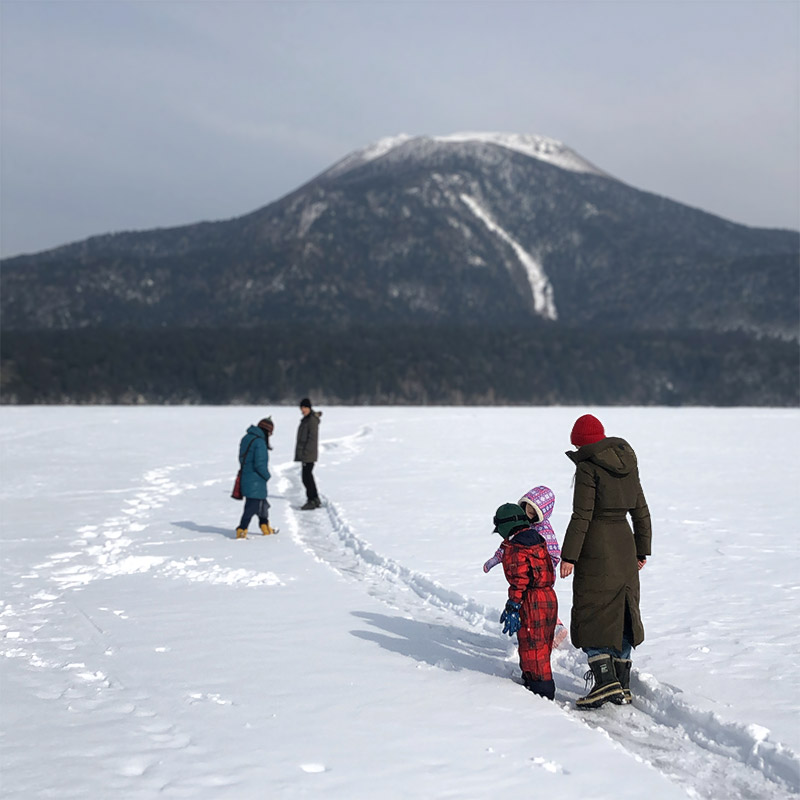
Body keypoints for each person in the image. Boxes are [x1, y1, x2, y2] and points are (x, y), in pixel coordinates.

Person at [559, 414, 651, 708]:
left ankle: (604, 683)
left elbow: (581, 515)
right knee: (624, 610)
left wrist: (569, 556)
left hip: (596, 546)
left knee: (592, 609)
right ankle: (622, 685)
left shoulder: (588, 467)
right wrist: (641, 550)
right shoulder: (627, 463)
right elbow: (641, 511)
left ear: (581, 443)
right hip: (624, 546)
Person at [484, 486, 568, 648]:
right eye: (526, 510)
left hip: (541, 576)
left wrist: (542, 567)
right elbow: (509, 545)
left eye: (532, 513)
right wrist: (496, 559)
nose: (528, 516)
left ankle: (554, 629)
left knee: (537, 604)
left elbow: (554, 553)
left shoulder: (544, 530)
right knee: (529, 603)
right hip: (526, 573)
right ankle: (531, 631)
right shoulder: (521, 526)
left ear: (541, 514)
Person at [493, 502, 558, 700]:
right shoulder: (538, 539)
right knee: (543, 642)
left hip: (531, 600)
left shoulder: (515, 548)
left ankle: (541, 690)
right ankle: (534, 679)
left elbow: (519, 581)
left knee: (532, 645)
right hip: (549, 597)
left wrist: (513, 605)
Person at [235, 417, 277, 539]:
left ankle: (264, 525)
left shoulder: (246, 438)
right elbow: (260, 464)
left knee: (263, 504)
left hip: (246, 475)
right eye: (270, 433)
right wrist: (267, 475)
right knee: (252, 506)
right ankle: (242, 528)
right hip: (256, 479)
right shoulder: (260, 442)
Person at [295, 398, 322, 510]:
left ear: (309, 408)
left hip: (308, 453)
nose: (303, 410)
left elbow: (312, 439)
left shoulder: (311, 420)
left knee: (306, 477)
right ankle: (315, 498)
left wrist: (305, 453)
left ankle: (312, 499)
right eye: (301, 408)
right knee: (307, 476)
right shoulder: (306, 419)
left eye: (305, 408)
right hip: (305, 453)